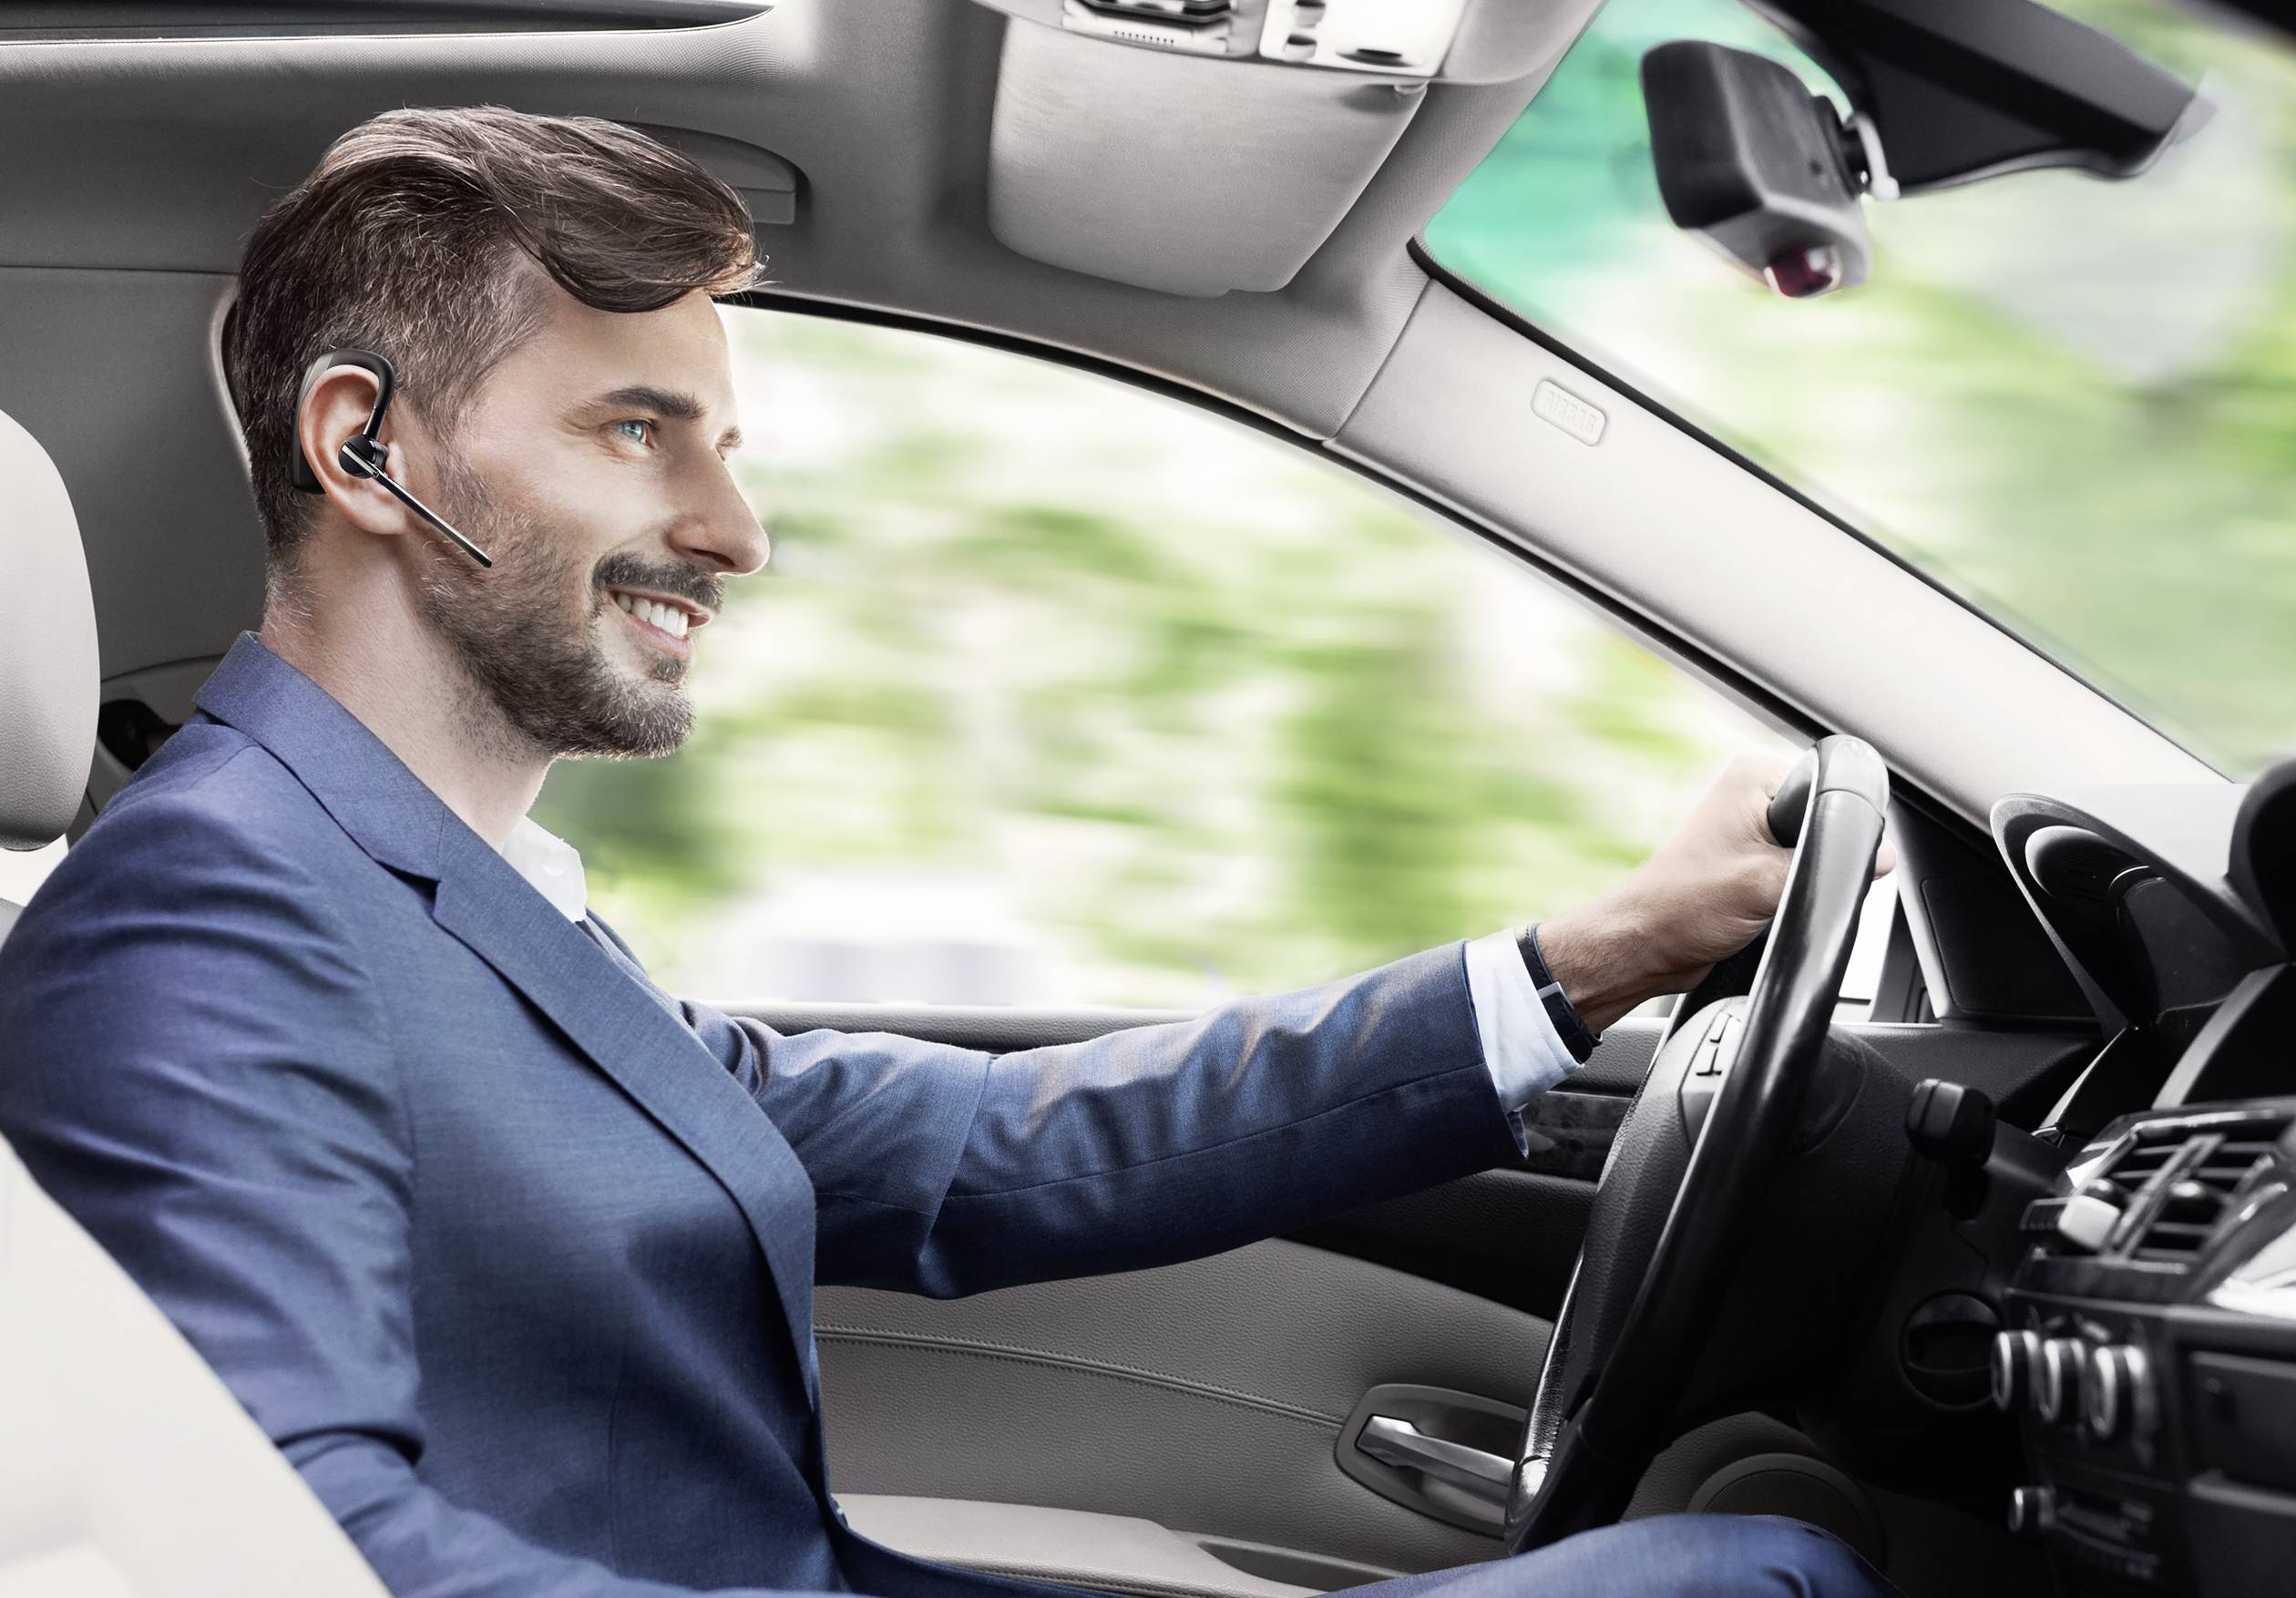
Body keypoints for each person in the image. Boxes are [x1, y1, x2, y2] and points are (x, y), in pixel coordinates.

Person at [0, 108, 1894, 1598]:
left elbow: (995, 1146)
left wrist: (1600, 955)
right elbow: (288, 1560)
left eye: (726, 442)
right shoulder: (206, 919)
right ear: (365, 451)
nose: (735, 529)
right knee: (1769, 1568)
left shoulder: (448, 900)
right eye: (639, 429)